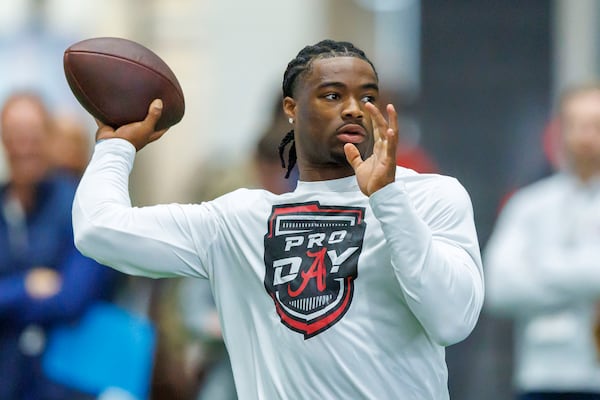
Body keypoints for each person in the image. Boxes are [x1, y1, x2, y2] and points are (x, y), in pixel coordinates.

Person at [72, 39, 484, 399]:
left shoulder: (430, 197)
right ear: (291, 108)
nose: (354, 109)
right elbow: (99, 230)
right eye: (332, 95)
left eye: (368, 96)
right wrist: (115, 148)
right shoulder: (240, 220)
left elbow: (451, 320)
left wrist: (388, 198)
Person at [485, 83, 600, 399]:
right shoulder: (529, 205)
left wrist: (540, 267)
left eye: (595, 126)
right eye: (576, 125)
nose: (586, 138)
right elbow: (498, 286)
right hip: (540, 378)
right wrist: (585, 277)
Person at [0, 91, 118, 399]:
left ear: (49, 138)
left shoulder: (79, 205)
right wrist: (25, 286)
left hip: (64, 382)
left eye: (33, 136)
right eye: (15, 136)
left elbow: (71, 298)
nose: (24, 147)